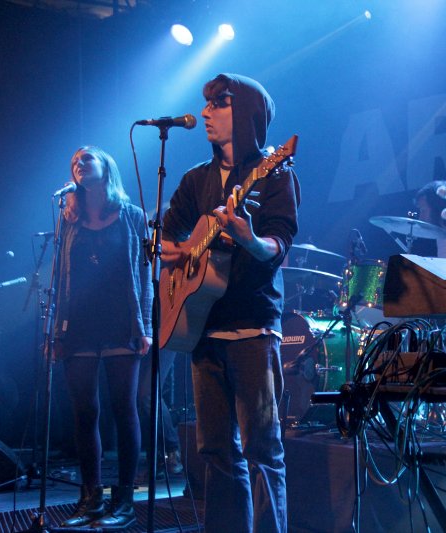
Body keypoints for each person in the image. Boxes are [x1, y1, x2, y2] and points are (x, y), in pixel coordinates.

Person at [161, 74, 298, 533]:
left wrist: (250, 240)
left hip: (252, 328)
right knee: (215, 452)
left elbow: (279, 244)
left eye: (219, 103)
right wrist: (174, 252)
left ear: (246, 113)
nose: (205, 112)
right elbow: (165, 233)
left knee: (262, 450)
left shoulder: (274, 173)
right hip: (201, 328)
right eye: (206, 104)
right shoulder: (195, 179)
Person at [54, 146, 153, 529]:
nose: (79, 163)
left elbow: (144, 276)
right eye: (74, 159)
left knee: (122, 408)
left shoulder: (130, 217)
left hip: (120, 322)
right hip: (79, 324)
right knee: (84, 412)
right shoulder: (69, 218)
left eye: (86, 158)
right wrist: (58, 328)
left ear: (106, 167)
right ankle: (90, 497)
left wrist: (143, 325)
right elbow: (61, 277)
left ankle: (124, 499)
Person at [137, 349, 183, 477]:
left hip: (164, 340)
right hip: (141, 339)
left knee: (147, 395)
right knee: (143, 399)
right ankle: (155, 461)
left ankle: (173, 451)